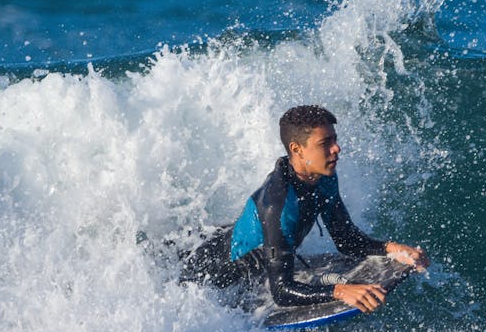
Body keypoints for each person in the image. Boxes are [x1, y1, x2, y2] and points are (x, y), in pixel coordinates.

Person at [182, 105, 429, 312]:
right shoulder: (278, 204)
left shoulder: (324, 176)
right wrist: (341, 291)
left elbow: (346, 240)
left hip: (252, 252)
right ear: (297, 150)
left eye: (335, 139)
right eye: (325, 143)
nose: (336, 148)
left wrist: (390, 248)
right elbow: (281, 291)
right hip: (213, 275)